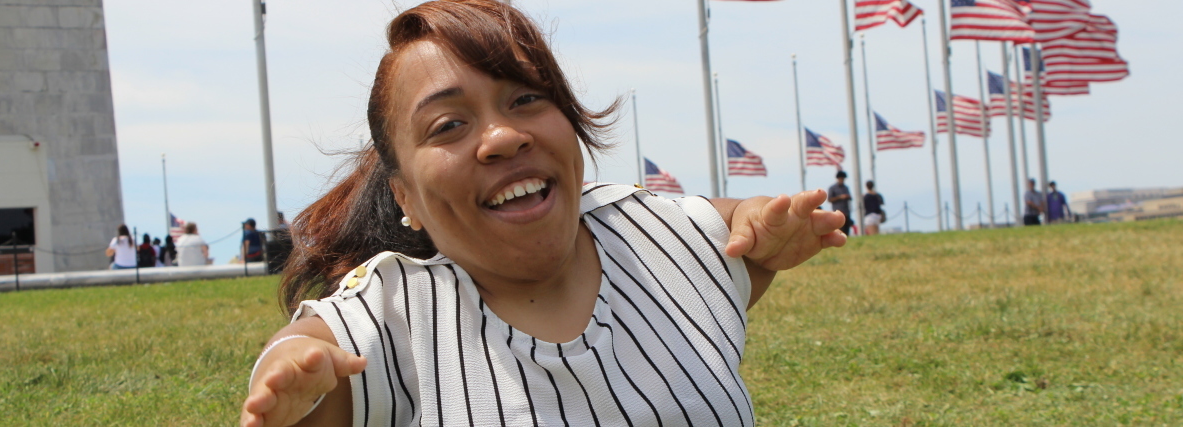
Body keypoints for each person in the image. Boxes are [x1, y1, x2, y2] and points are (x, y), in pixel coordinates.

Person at [239, 2, 846, 426]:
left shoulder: (656, 234)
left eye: (526, 98)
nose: (502, 136)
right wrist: (289, 371)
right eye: (448, 125)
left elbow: (737, 226)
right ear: (404, 198)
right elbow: (312, 342)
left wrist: (764, 220)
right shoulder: (398, 310)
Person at [828, 170, 853, 235]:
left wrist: (847, 197)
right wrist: (840, 197)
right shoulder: (832, 188)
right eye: (841, 178)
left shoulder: (846, 188)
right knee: (839, 230)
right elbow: (830, 199)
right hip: (838, 212)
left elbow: (850, 197)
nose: (842, 180)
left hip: (846, 211)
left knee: (847, 230)